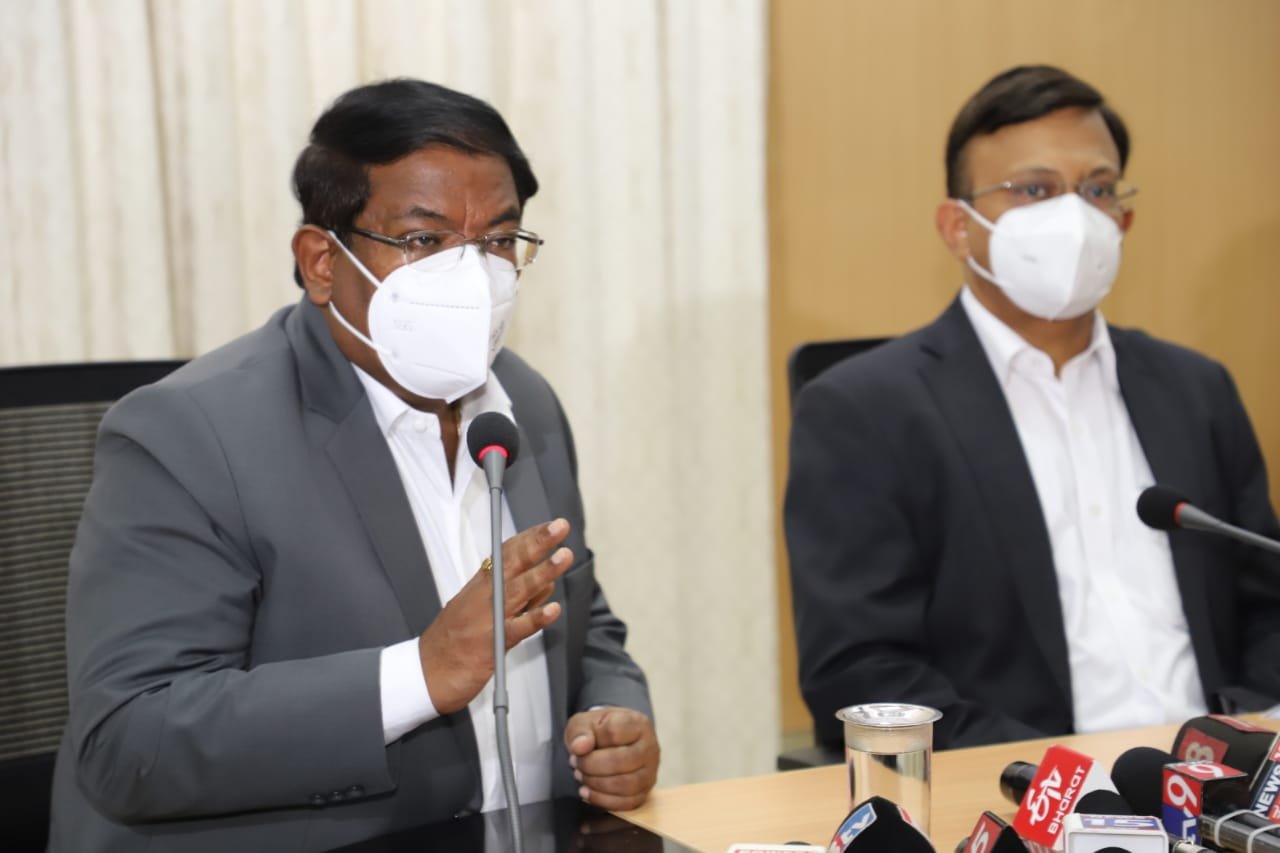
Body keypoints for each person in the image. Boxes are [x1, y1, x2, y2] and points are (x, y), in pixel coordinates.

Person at [48, 78, 659, 850]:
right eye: (424, 241)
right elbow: (130, 740)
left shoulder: (522, 401)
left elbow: (579, 615)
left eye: (498, 240)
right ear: (321, 261)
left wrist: (612, 717)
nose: (473, 276)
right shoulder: (188, 433)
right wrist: (420, 674)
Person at [785, 65, 1280, 752]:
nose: (1075, 218)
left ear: (1124, 220)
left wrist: (1243, 737)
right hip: (1018, 788)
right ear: (958, 227)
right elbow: (861, 671)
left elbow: (1267, 607)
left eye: (1098, 189)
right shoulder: (863, 411)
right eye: (1035, 189)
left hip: (1219, 778)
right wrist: (1055, 778)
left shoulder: (1197, 389)